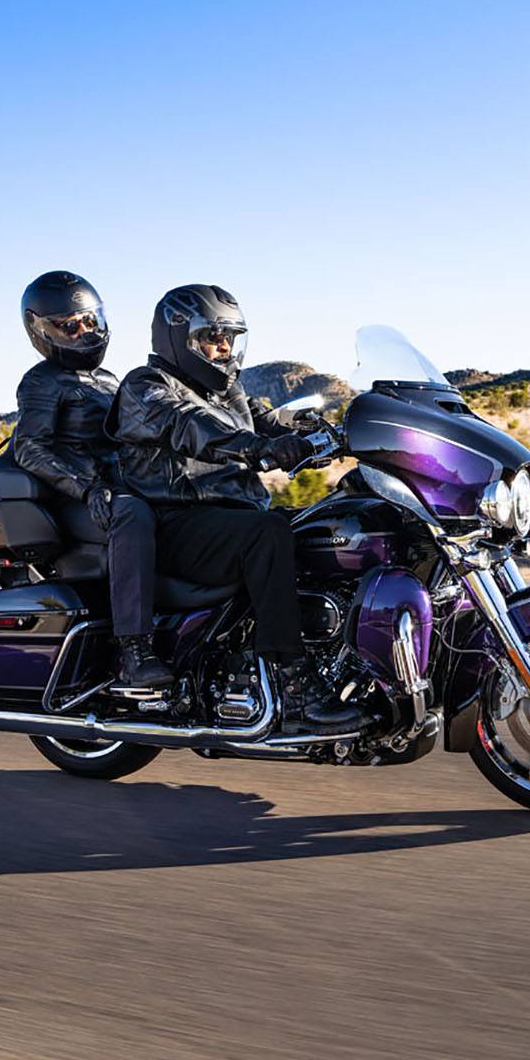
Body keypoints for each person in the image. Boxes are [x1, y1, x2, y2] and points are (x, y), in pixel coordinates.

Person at [107, 284, 363, 734]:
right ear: (177, 338)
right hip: (175, 522)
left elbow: (268, 421)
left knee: (330, 527)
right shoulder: (145, 388)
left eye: (230, 337)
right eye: (213, 336)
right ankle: (295, 690)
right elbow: (192, 425)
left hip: (225, 521)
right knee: (268, 533)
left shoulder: (228, 392)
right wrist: (259, 447)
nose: (224, 347)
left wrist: (334, 429)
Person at [11, 270, 173, 691]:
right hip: (78, 499)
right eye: (69, 325)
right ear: (41, 330)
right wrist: (86, 487)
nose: (84, 332)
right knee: (133, 515)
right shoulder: (41, 382)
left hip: (119, 488)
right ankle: (135, 649)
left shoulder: (107, 380)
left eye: (90, 321)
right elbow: (31, 448)